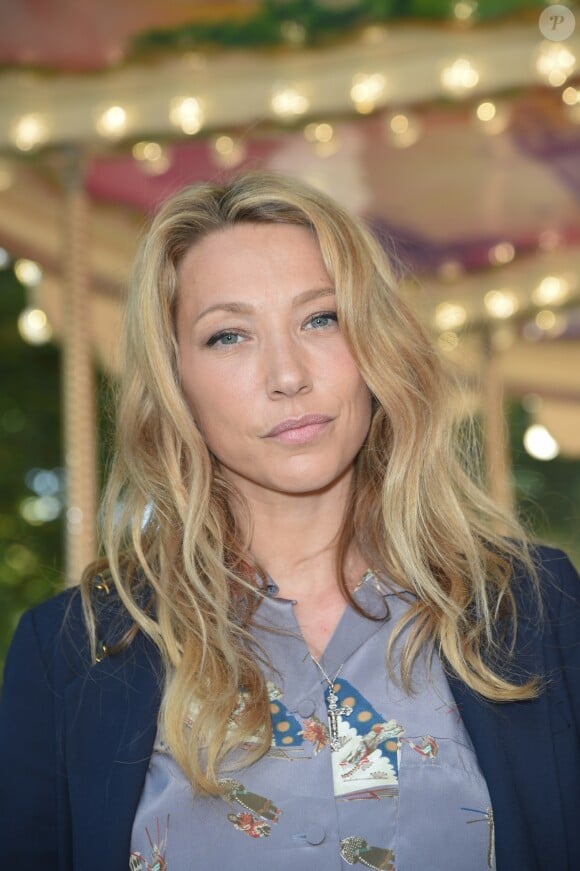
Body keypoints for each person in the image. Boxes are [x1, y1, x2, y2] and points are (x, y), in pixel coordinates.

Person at [0, 170, 578, 871]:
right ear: (174, 379)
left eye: (320, 318)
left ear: (375, 343)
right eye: (229, 336)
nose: (287, 373)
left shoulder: (532, 606)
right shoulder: (74, 651)